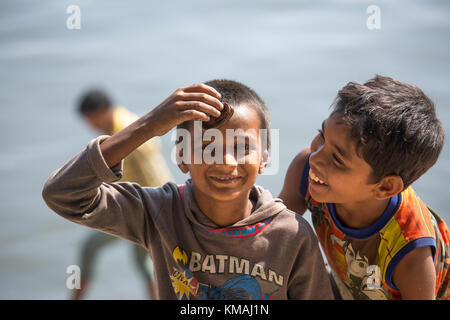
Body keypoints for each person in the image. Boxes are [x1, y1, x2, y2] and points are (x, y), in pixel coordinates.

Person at [43, 80, 334, 300]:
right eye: (207, 148)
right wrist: (149, 124)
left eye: (242, 147)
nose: (226, 162)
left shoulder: (292, 236)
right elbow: (63, 194)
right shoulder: (158, 212)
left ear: (265, 157)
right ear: (181, 157)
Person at [279, 75, 450, 300]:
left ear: (385, 187)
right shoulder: (306, 171)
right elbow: (274, 236)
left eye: (338, 159)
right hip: (347, 286)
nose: (316, 158)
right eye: (322, 136)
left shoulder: (411, 253)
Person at [72, 89, 174, 299]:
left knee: (91, 248)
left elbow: (153, 175)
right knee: (143, 262)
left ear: (102, 111)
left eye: (90, 119)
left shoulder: (127, 136)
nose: (89, 125)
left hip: (148, 209)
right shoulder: (121, 126)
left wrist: (158, 216)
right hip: (136, 206)